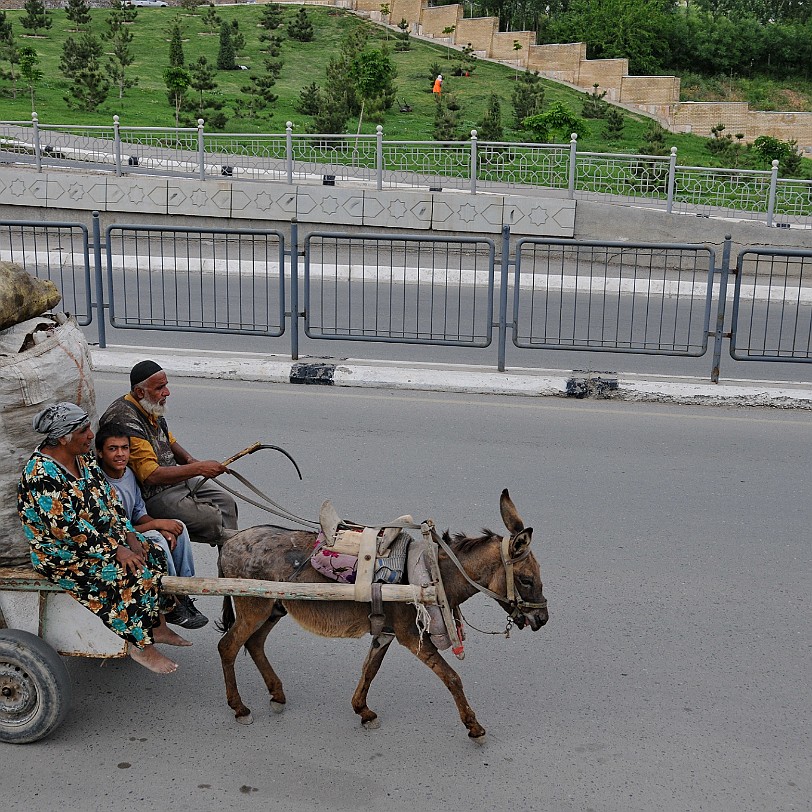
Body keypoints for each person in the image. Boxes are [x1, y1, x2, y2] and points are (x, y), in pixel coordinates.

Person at [17, 402, 190, 675]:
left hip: (102, 541)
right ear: (64, 437)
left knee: (152, 553)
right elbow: (68, 530)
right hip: (63, 554)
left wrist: (130, 535)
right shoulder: (41, 475)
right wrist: (116, 550)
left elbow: (110, 504)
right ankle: (139, 645)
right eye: (84, 430)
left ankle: (157, 625)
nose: (90, 435)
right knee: (125, 573)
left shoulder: (83, 462)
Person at [99, 360, 238, 547]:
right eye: (160, 388)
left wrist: (190, 461)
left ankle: (231, 557)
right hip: (154, 494)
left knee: (227, 503)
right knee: (211, 519)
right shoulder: (124, 418)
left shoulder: (149, 404)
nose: (167, 392)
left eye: (166, 386)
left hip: (176, 481)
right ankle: (228, 549)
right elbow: (151, 475)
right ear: (140, 392)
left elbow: (168, 440)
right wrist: (198, 468)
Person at [95, 423, 208, 630]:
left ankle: (184, 590)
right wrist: (155, 526)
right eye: (113, 449)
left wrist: (162, 526)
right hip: (116, 540)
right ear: (100, 453)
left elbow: (139, 512)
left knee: (177, 527)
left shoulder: (128, 474)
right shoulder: (99, 483)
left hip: (132, 530)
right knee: (158, 542)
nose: (120, 454)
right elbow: (114, 530)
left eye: (124, 448)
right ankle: (170, 600)